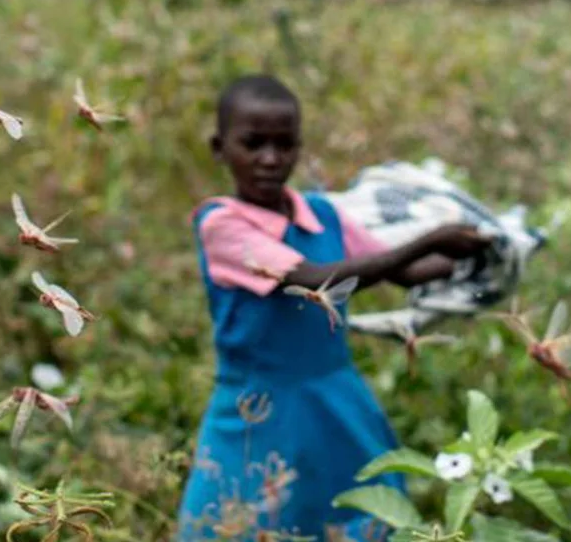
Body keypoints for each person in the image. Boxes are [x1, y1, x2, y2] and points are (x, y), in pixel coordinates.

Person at [176, 74, 494, 541]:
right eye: (253, 144)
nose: (270, 159)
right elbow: (313, 281)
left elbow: (400, 271)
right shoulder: (222, 225)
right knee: (241, 518)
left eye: (284, 146)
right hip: (259, 405)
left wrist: (478, 251)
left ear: (299, 147)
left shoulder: (322, 214)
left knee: (350, 512)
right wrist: (427, 238)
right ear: (220, 148)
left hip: (335, 398)